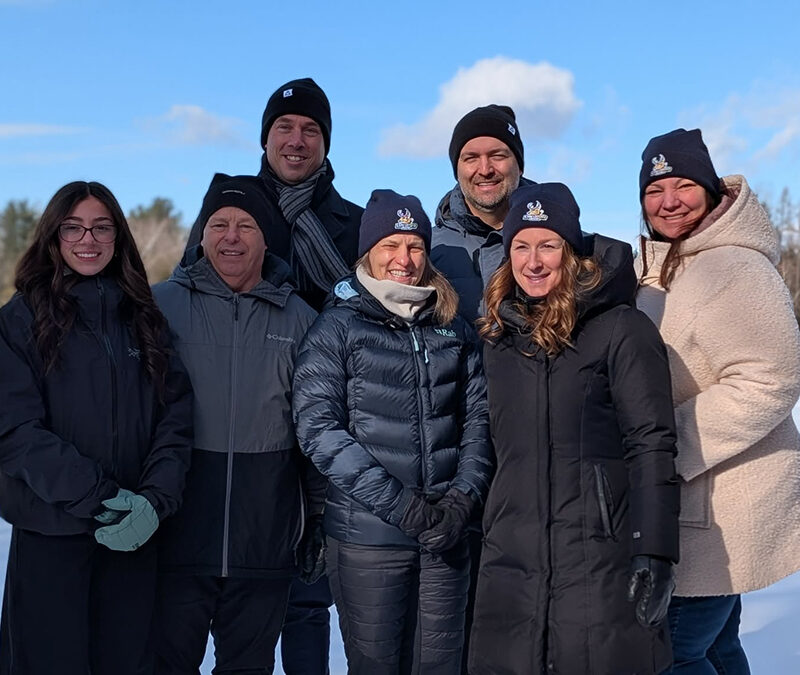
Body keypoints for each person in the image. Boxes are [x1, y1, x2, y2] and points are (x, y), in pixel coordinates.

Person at [186, 78, 363, 672]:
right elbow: (196, 290)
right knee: (222, 597)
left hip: (322, 419)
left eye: (310, 129)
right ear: (264, 140)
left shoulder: (353, 221)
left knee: (309, 591)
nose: (296, 139)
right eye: (284, 128)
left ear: (326, 143)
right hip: (241, 416)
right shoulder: (229, 207)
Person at [469, 182, 680, 674]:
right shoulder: (498, 339)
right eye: (521, 245)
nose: (534, 260)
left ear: (572, 252)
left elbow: (651, 443)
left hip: (598, 558)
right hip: (512, 559)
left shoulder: (620, 329)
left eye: (548, 244)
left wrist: (655, 549)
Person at [292, 190, 493, 674]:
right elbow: (319, 430)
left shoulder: (452, 327)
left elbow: (479, 421)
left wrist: (462, 499)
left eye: (415, 246)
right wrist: (403, 508)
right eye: (390, 245)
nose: (404, 259)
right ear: (368, 253)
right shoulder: (337, 327)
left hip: (446, 534)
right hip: (369, 539)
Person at [0, 181, 193, 675]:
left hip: (134, 538)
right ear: (53, 236)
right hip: (52, 536)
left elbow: (175, 419)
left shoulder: (145, 320)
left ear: (118, 237)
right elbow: (16, 432)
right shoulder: (19, 321)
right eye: (74, 227)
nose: (89, 239)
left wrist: (153, 500)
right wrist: (103, 500)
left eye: (102, 227)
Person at [635, 128, 800, 674]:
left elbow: (770, 378)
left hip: (718, 501)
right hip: (701, 503)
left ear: (710, 191)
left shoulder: (734, 266)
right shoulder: (670, 267)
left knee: (675, 652)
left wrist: (664, 444)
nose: (669, 202)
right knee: (716, 646)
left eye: (683, 186)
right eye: (655, 191)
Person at [152, 176, 320, 674]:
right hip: (175, 535)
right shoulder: (158, 308)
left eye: (245, 225)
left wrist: (316, 524)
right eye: (218, 224)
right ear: (200, 236)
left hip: (263, 541)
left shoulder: (302, 320)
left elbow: (316, 432)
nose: (231, 236)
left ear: (266, 238)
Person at [431, 104, 531, 324]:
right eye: (471, 158)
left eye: (497, 155)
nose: (485, 169)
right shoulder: (428, 251)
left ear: (520, 165)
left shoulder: (557, 240)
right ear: (456, 170)